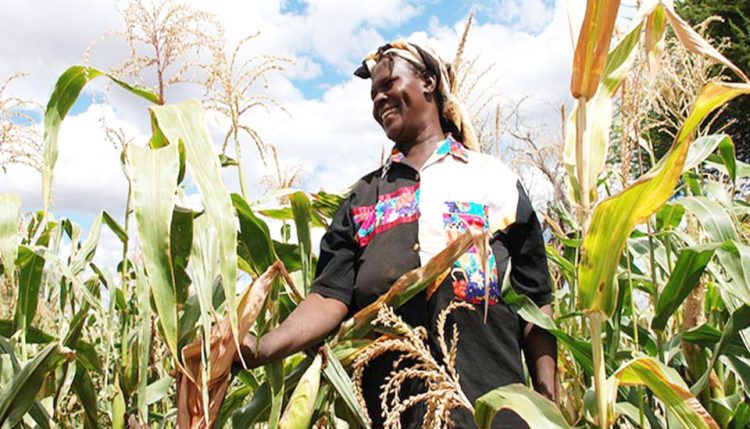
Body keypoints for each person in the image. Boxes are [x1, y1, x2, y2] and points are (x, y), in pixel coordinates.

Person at [236, 41, 557, 428]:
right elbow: (329, 295)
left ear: (428, 82)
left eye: (388, 83)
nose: (379, 99)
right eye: (373, 95)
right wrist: (261, 348)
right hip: (395, 414)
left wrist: (545, 398)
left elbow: (534, 299)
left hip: (496, 415)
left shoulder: (496, 182)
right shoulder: (362, 199)